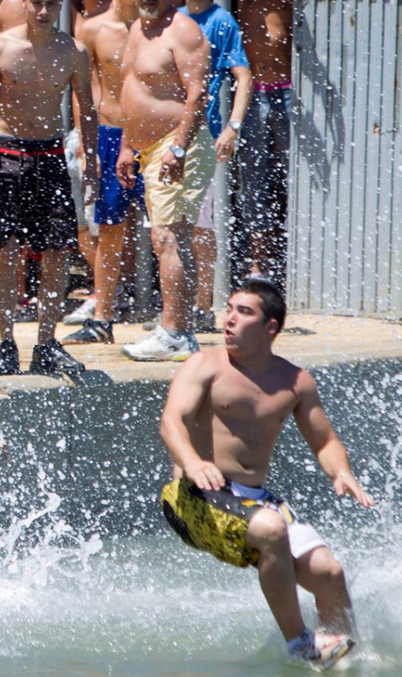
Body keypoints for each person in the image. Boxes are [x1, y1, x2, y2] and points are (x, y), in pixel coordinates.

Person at [158, 280, 372, 669]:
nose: (230, 319)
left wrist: (342, 472)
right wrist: (192, 462)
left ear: (270, 327)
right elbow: (171, 421)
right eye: (230, 309)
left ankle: (340, 655)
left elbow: (324, 441)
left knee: (328, 571)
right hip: (193, 494)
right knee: (271, 528)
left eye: (244, 312)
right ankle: (300, 643)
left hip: (252, 500)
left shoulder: (294, 381)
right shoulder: (204, 365)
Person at [0, 0, 98, 377]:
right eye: (37, 3)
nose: (44, 11)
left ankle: (46, 342)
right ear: (25, 2)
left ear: (60, 3)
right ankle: (6, 342)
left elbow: (86, 107)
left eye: (51, 3)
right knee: (7, 252)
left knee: (57, 253)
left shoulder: (73, 52)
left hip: (49, 154)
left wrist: (92, 160)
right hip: (8, 154)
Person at [116, 0, 213, 362]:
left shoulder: (184, 31)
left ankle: (174, 331)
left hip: (177, 145)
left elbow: (197, 94)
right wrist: (126, 146)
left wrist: (177, 148)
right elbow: (132, 89)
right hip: (148, 149)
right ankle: (180, 331)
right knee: (169, 237)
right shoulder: (137, 29)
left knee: (167, 237)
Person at [63, 0, 146, 345]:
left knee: (168, 230)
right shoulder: (93, 30)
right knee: (107, 230)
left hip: (151, 138)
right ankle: (102, 316)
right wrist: (86, 142)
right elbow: (85, 92)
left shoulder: (162, 29)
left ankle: (177, 318)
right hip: (110, 135)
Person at [179, 0, 253, 331]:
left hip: (202, 136)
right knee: (167, 225)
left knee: (199, 227)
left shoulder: (222, 21)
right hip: (167, 136)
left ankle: (202, 305)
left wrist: (233, 127)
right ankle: (175, 307)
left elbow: (244, 79)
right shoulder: (171, 19)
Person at [232, 0, 293, 286]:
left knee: (291, 179)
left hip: (285, 92)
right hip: (255, 93)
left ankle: (288, 259)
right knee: (253, 182)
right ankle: (258, 266)